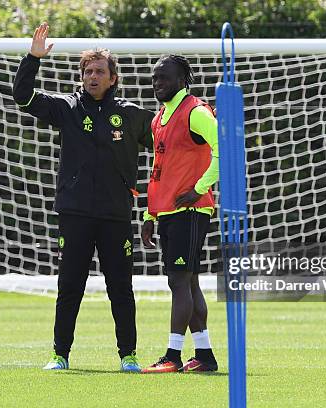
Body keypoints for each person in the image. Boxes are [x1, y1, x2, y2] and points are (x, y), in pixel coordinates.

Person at [12, 22, 153, 372]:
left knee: (121, 288)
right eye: (88, 71)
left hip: (116, 214)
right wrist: (33, 58)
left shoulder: (133, 116)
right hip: (74, 213)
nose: (92, 76)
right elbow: (23, 96)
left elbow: (166, 143)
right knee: (70, 285)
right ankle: (60, 354)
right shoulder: (66, 108)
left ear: (112, 78)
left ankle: (129, 355)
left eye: (99, 72)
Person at [141, 55, 219, 373]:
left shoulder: (196, 112)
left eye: (165, 78)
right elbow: (159, 171)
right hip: (169, 212)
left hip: (191, 210)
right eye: (155, 78)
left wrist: (200, 187)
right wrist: (150, 214)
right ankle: (205, 355)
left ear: (182, 80)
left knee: (179, 281)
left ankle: (172, 357)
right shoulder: (158, 119)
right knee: (189, 283)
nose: (158, 83)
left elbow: (226, 150)